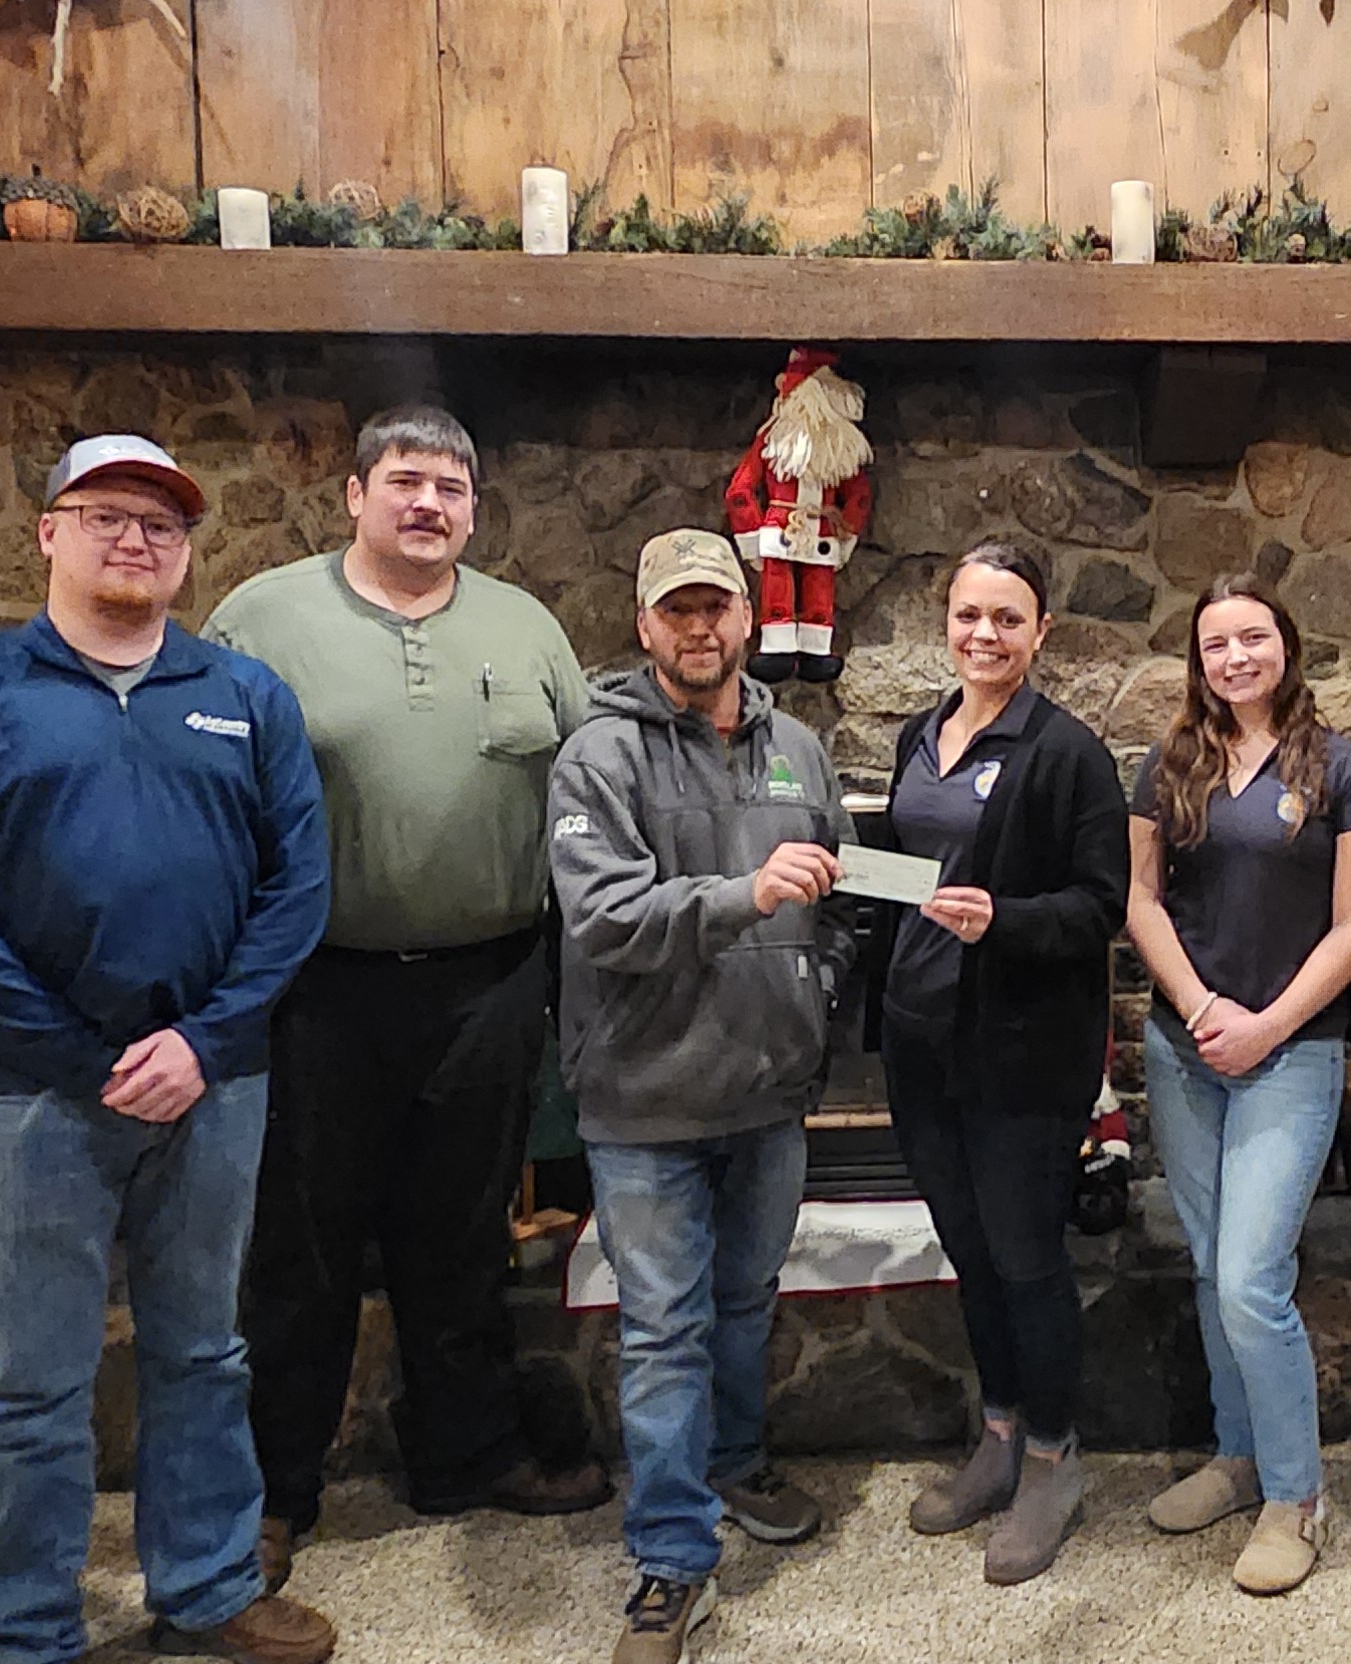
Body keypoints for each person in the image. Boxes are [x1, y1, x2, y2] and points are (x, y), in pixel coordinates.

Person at [0, 435, 336, 1664]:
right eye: (106, 515)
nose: (135, 539)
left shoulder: (246, 695)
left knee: (204, 1348)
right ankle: (24, 1621)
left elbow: (297, 887)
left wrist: (205, 1036)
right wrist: (80, 1058)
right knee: (32, 1375)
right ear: (46, 533)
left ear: (188, 550)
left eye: (161, 523)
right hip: (29, 1094)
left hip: (214, 1082)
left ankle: (207, 1581)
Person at [205, 405, 603, 1588]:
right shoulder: (262, 619)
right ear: (353, 493)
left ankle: (464, 1451)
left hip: (490, 979)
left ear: (475, 508)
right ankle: (275, 1490)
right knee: (302, 1252)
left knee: (463, 1237)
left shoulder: (524, 624)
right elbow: (212, 794)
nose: (429, 504)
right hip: (320, 988)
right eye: (406, 481)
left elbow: (582, 787)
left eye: (451, 488)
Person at [545, 528, 856, 1664]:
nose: (699, 628)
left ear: (746, 618)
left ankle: (731, 1464)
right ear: (644, 625)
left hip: (769, 1093)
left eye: (716, 606)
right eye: (676, 610)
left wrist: (818, 986)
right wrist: (743, 894)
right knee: (664, 1329)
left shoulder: (801, 750)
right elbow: (605, 917)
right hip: (645, 1103)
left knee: (743, 1300)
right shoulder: (599, 756)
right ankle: (672, 1563)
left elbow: (841, 894)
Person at [1124, 575, 1351, 1595]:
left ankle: (1296, 1495)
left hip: (1294, 1050)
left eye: (1254, 636)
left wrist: (1267, 1023)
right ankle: (1237, 1457)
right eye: (1217, 642)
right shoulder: (1170, 762)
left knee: (1249, 1276)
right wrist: (1197, 1008)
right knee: (1208, 1266)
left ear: (1287, 644)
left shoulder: (1344, 768)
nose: (1236, 656)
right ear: (1198, 658)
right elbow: (1141, 900)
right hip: (1183, 1046)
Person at [879, 543, 1130, 1587]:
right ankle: (996, 1433)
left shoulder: (1068, 752)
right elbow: (908, 869)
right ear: (948, 619)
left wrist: (1005, 920)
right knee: (971, 1253)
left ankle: (1055, 1458)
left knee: (1026, 1258)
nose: (984, 634)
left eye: (1008, 619)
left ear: (1040, 634)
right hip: (919, 1040)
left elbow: (1100, 906)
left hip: (1023, 1056)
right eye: (969, 614)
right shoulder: (917, 730)